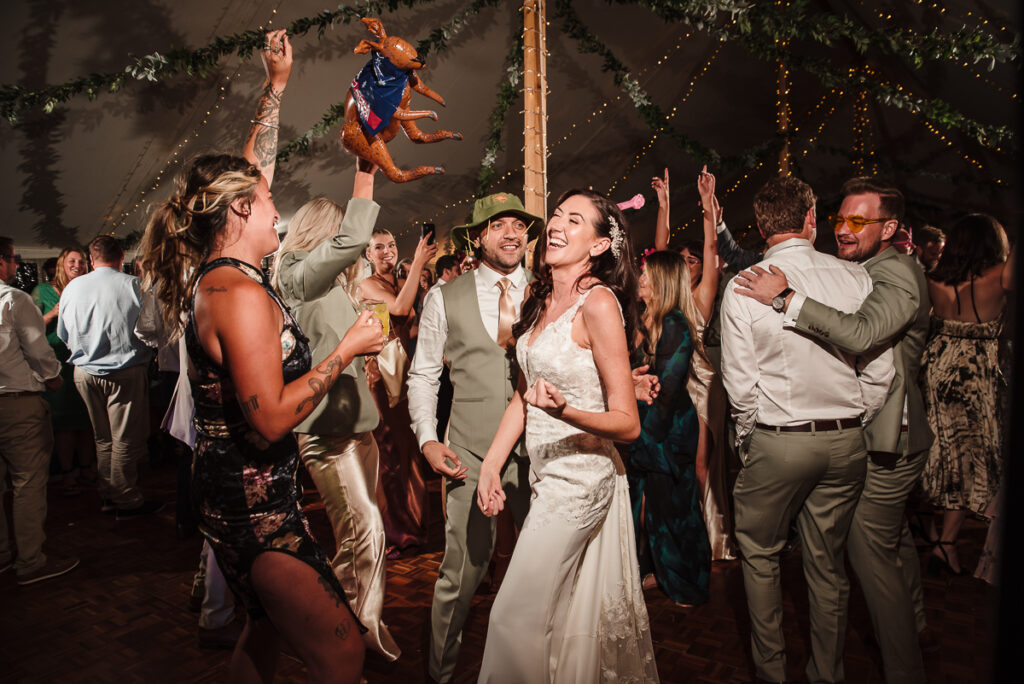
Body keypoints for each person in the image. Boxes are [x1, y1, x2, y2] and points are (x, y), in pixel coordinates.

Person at [136, 30, 384, 683]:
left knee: (264, 635)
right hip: (254, 509)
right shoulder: (236, 294)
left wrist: (275, 89)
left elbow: (254, 169)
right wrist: (349, 349)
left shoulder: (232, 267)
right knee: (342, 651)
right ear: (241, 210)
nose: (279, 202)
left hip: (252, 493)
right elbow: (271, 419)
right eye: (268, 198)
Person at [732, 177, 932, 683]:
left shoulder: (747, 283)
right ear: (812, 220)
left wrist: (753, 439)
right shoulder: (856, 278)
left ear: (760, 226)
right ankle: (829, 674)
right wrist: (850, 419)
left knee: (761, 555)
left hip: (789, 440)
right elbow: (878, 371)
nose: (844, 228)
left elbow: (740, 386)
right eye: (837, 219)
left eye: (856, 221)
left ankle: (772, 672)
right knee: (831, 564)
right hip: (849, 443)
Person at [475, 189, 658, 683]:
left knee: (513, 615)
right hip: (545, 476)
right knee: (560, 616)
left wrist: (568, 410)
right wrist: (492, 463)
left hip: (581, 481)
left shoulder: (597, 304)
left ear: (599, 246)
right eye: (557, 215)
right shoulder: (541, 298)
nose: (556, 224)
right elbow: (522, 394)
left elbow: (628, 422)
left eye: (574, 220)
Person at [406, 192, 542, 683]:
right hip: (468, 449)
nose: (512, 233)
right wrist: (426, 440)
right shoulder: (445, 296)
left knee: (543, 570)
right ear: (478, 236)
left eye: (519, 225)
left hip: (540, 454)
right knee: (460, 574)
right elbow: (423, 376)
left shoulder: (548, 291)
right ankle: (440, 674)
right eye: (498, 225)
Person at [272, 165, 401, 661]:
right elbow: (352, 240)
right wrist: (364, 174)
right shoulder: (295, 277)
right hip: (324, 432)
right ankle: (353, 632)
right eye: (340, 239)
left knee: (363, 531)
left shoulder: (332, 288)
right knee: (364, 527)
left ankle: (346, 619)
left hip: (358, 427)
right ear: (324, 236)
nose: (354, 250)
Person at [920, 213, 1012, 576]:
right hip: (975, 373)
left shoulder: (933, 279)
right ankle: (946, 544)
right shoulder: (1000, 275)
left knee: (939, 451)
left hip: (937, 366)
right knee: (969, 459)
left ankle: (933, 533)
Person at [652, 166, 736, 561]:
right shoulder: (663, 299)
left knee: (703, 463)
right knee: (672, 464)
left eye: (693, 261)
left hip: (701, 389)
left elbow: (712, 249)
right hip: (670, 388)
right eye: (682, 261)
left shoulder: (702, 298)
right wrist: (664, 206)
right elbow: (659, 253)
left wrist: (707, 207)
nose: (688, 264)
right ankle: (677, 531)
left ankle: (706, 536)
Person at [629, 250, 710, 606]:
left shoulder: (675, 323)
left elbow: (667, 390)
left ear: (662, 282)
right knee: (653, 508)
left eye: (646, 275)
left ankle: (689, 584)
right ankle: (657, 573)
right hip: (648, 427)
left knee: (676, 510)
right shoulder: (647, 319)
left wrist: (643, 441)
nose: (640, 280)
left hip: (669, 431)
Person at [56, 235, 158, 519]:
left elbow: (64, 335)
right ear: (122, 256)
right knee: (124, 439)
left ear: (91, 259)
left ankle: (107, 495)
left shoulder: (73, 288)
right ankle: (125, 499)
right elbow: (151, 332)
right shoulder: (134, 286)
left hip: (84, 372)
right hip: (124, 371)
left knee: (102, 439)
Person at [0, 236, 80, 585]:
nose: (17, 265)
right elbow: (37, 349)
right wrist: (53, 378)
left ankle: (3, 555)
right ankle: (31, 561)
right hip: (16, 402)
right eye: (13, 259)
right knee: (28, 482)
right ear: (2, 262)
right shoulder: (13, 299)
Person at [360, 227, 436, 554]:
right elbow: (401, 310)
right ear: (368, 254)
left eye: (391, 245)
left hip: (403, 373)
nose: (388, 251)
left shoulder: (396, 283)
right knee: (388, 453)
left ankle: (416, 522)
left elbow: (412, 319)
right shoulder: (367, 285)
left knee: (409, 448)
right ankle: (395, 531)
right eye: (379, 247)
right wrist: (418, 262)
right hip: (380, 377)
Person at [30, 247, 96, 497]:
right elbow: (30, 328)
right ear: (61, 264)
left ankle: (87, 468)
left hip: (85, 361)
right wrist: (53, 313)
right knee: (64, 424)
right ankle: (68, 472)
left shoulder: (87, 289)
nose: (77, 265)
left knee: (86, 420)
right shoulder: (42, 291)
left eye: (81, 261)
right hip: (56, 364)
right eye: (72, 260)